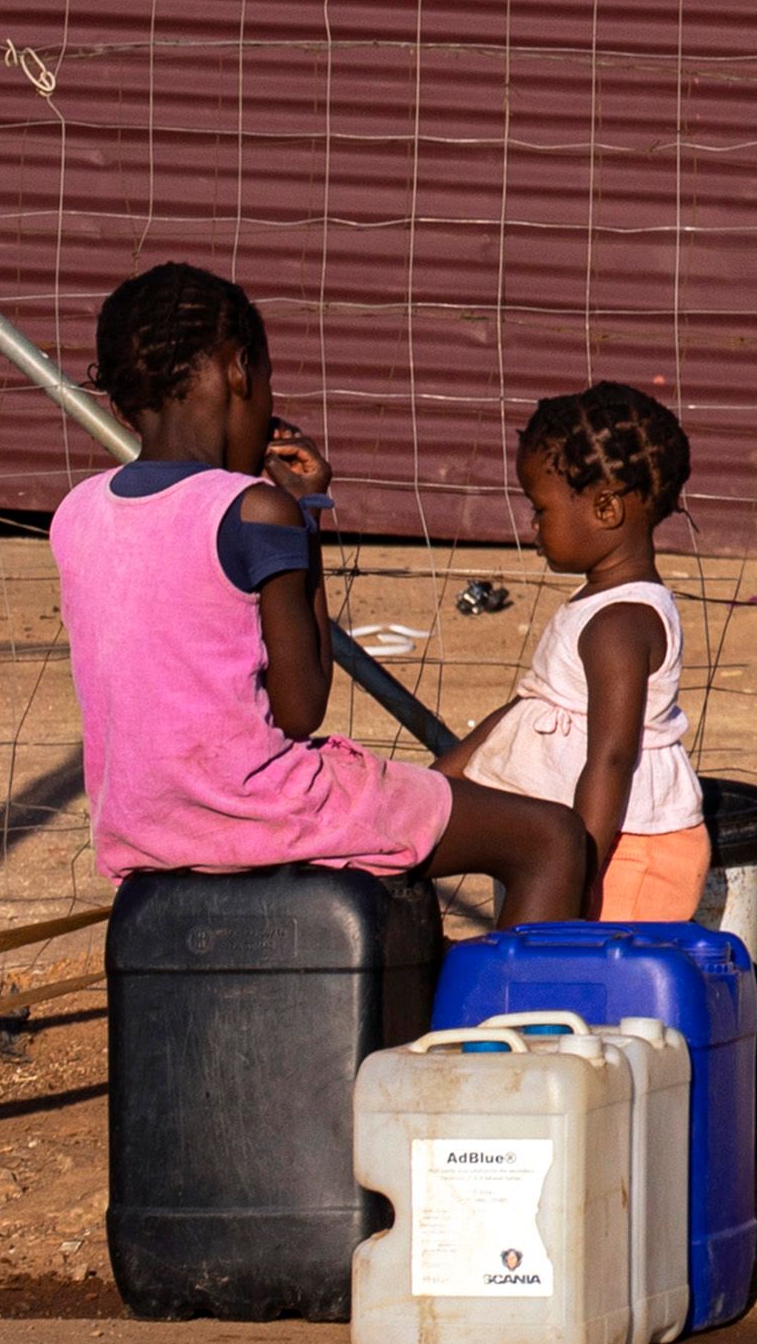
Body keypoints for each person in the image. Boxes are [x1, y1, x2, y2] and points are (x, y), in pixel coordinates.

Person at [52, 263, 591, 921]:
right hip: (263, 812)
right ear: (241, 371)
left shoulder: (77, 513)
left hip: (141, 827)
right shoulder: (255, 511)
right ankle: (507, 1023)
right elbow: (301, 707)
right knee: (550, 838)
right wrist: (302, 517)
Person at [457, 382, 711, 923]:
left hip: (626, 854)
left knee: (599, 989)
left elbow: (612, 758)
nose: (533, 526)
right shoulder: (597, 604)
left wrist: (578, 873)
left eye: (540, 508)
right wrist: (438, 782)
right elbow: (526, 708)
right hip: (589, 845)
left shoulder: (619, 625)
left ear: (605, 508)